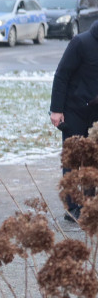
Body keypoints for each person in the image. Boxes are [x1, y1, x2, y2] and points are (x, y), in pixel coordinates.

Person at [50, 20, 98, 221]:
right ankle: (71, 207)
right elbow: (62, 75)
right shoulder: (81, 42)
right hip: (74, 110)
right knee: (72, 160)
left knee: (93, 160)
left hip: (96, 113)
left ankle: (89, 206)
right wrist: (56, 110)